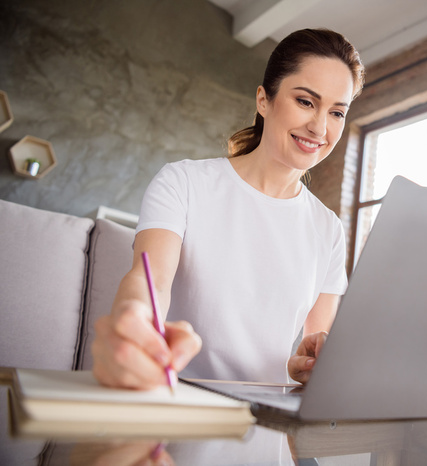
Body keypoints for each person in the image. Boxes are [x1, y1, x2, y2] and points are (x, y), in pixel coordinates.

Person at [91, 28, 365, 389]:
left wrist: (307, 364)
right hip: (176, 406)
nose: (319, 127)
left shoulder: (327, 229)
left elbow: (313, 347)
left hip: (267, 427)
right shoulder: (183, 182)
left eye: (337, 113)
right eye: (305, 102)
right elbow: (148, 281)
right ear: (263, 100)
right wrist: (133, 321)